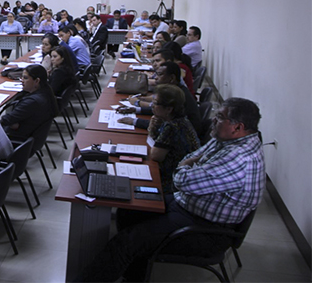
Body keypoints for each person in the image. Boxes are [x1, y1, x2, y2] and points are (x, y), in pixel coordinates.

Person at [80, 97, 265, 282]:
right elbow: (193, 156)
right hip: (189, 204)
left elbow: (183, 180)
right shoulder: (226, 139)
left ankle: (121, 259)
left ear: (238, 127)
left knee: (125, 243)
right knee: (129, 210)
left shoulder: (239, 159)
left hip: (206, 229)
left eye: (219, 117)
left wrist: (187, 165)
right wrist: (190, 164)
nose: (214, 121)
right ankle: (134, 274)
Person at [147, 84, 200, 193]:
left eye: (156, 103)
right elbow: (156, 139)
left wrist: (153, 131)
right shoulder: (177, 120)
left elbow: (156, 155)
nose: (152, 105)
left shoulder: (173, 126)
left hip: (173, 180)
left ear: (169, 109)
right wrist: (153, 127)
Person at [118, 62, 201, 132]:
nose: (156, 78)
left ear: (172, 78)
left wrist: (135, 121)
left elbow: (165, 126)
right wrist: (136, 109)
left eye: (160, 75)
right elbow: (160, 109)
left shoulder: (176, 96)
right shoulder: (174, 89)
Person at [0, 65, 59, 140]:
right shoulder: (46, 93)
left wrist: (13, 122)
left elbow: (6, 120)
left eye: (25, 78)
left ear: (37, 81)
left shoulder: (32, 102)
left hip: (16, 139)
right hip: (29, 137)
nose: (21, 80)